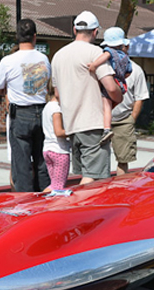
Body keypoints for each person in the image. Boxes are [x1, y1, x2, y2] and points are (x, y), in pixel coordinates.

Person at [51, 11, 122, 185]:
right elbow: (111, 87)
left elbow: (57, 94)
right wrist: (119, 97)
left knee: (86, 173)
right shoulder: (95, 52)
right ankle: (80, 210)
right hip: (93, 123)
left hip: (71, 124)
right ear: (95, 31)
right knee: (94, 178)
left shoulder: (58, 56)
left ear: (75, 30)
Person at [0, 19, 50, 193]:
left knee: (21, 163)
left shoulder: (8, 61)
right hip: (41, 110)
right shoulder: (44, 59)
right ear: (35, 37)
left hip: (21, 112)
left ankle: (25, 203)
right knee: (41, 160)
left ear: (17, 37)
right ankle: (46, 197)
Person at [111, 38, 149, 176]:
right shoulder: (102, 66)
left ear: (126, 47)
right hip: (100, 118)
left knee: (123, 159)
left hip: (123, 119)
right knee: (98, 162)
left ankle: (120, 191)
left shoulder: (136, 70)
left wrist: (132, 119)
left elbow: (140, 97)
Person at [88, 27, 132, 144]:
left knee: (106, 107)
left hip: (112, 82)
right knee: (112, 105)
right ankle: (107, 121)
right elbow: (129, 72)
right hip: (122, 85)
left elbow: (103, 58)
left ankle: (107, 129)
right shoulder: (125, 57)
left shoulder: (109, 52)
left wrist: (93, 65)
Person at [42, 82, 71, 191]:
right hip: (59, 150)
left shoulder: (47, 106)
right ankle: (40, 203)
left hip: (47, 149)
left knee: (54, 184)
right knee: (58, 187)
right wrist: (74, 130)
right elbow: (59, 132)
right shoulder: (56, 109)